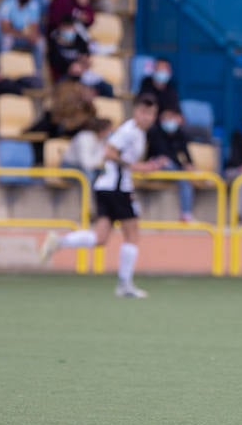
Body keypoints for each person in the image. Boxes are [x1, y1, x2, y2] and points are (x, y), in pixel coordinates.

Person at [39, 93, 165, 297]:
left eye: (151, 113)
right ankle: (124, 285)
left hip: (107, 187)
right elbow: (109, 153)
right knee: (132, 234)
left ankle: (59, 242)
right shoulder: (129, 131)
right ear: (136, 112)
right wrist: (137, 166)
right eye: (144, 112)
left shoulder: (139, 133)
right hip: (115, 188)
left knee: (100, 238)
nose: (148, 117)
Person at [146, 104, 196, 222]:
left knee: (185, 177)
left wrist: (189, 164)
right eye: (166, 118)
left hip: (174, 166)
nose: (169, 121)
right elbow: (156, 153)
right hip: (156, 165)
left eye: (171, 118)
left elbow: (185, 155)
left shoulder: (180, 134)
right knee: (166, 164)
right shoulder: (154, 132)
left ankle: (186, 214)